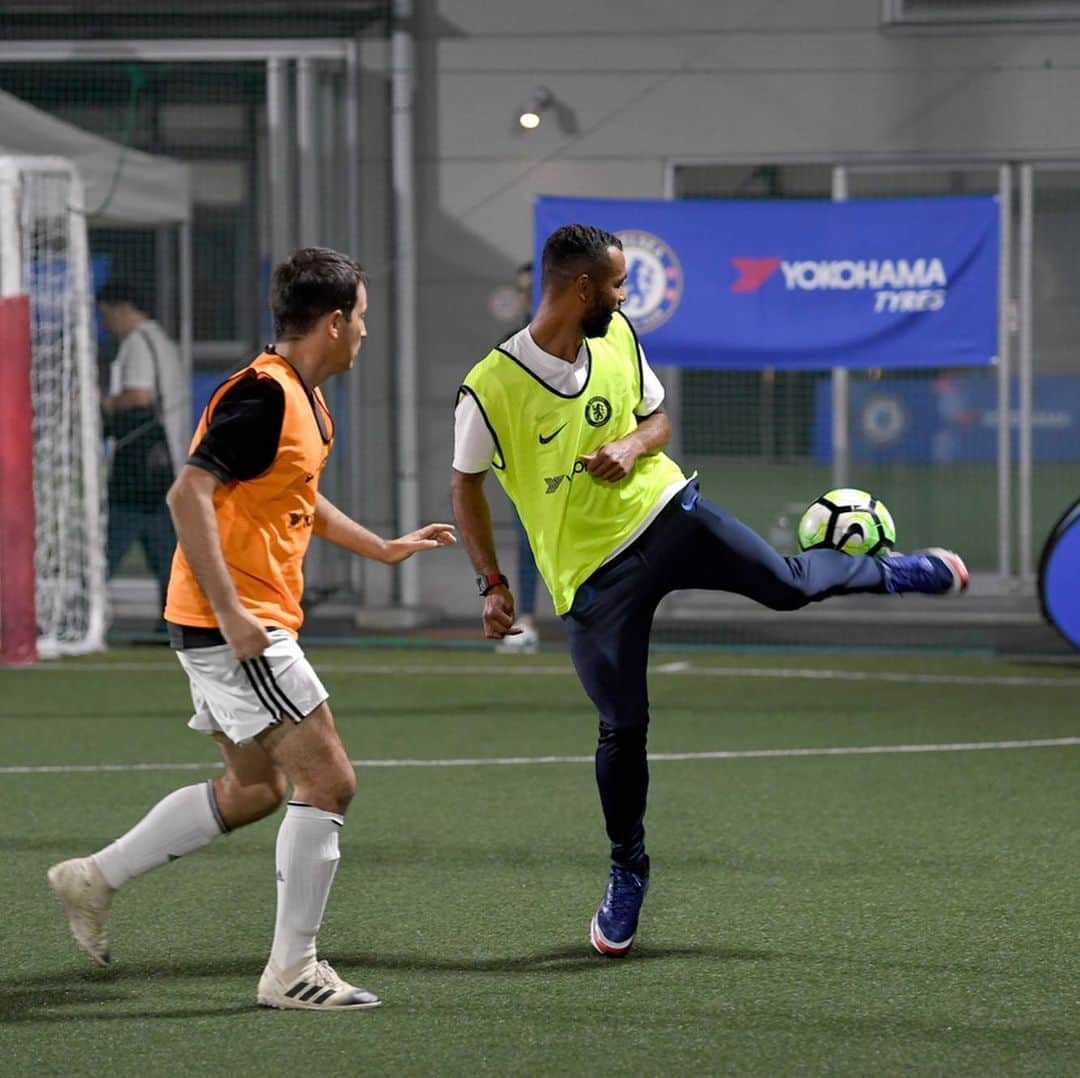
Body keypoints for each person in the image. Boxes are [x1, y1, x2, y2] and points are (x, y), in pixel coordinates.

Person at [451, 223, 968, 958]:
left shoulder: (618, 336)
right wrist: (493, 583)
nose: (625, 295)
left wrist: (632, 445)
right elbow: (464, 486)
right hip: (590, 576)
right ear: (579, 289)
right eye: (617, 284)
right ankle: (627, 870)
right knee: (623, 728)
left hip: (667, 514)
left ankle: (894, 569)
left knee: (788, 585)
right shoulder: (489, 387)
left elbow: (657, 420)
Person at [49, 247, 456, 1010]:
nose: (366, 331)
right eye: (361, 317)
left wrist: (383, 546)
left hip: (226, 618)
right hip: (237, 622)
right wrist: (235, 611)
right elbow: (187, 494)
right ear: (333, 323)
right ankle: (291, 971)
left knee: (252, 789)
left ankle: (92, 878)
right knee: (329, 779)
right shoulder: (264, 395)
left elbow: (292, 494)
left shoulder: (302, 398)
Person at [98, 279, 188, 622]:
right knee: (163, 544)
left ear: (120, 309)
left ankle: (81, 610)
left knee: (114, 538)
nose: (105, 324)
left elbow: (139, 396)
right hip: (166, 466)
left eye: (105, 314)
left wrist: (104, 402)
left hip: (141, 466)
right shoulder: (160, 340)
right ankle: (174, 621)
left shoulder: (137, 342)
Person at [496, 261, 541, 654]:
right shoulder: (512, 343)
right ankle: (526, 618)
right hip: (527, 463)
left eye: (532, 288)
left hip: (577, 460)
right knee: (529, 542)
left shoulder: (583, 337)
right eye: (521, 288)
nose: (525, 296)